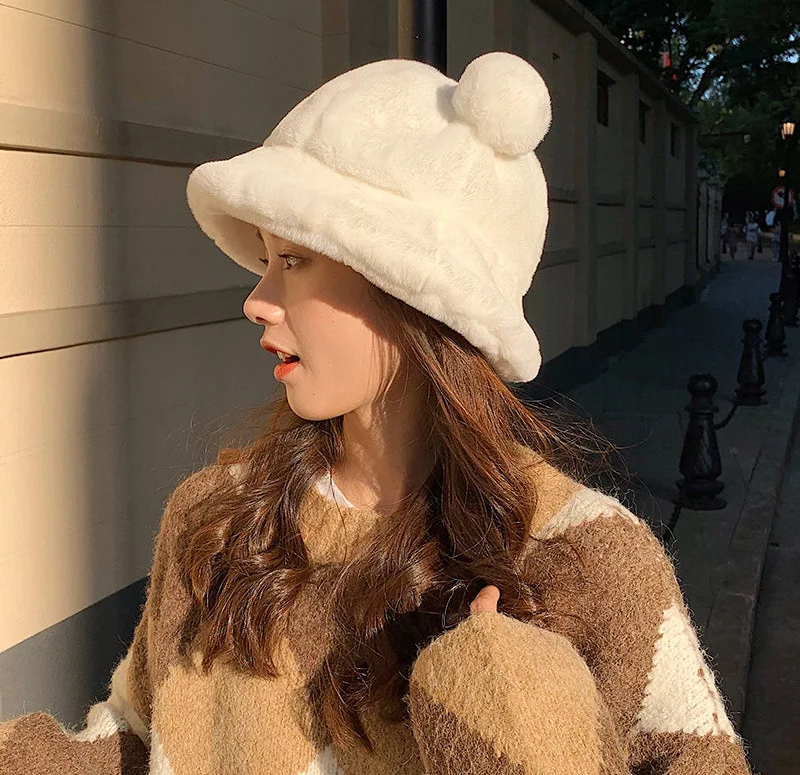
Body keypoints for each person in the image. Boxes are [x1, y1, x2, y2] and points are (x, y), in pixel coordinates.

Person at [0, 52, 753, 774]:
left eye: (293, 260)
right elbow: (133, 739)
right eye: (264, 259)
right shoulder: (216, 521)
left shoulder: (583, 558)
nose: (256, 299)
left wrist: (520, 720)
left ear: (415, 293)